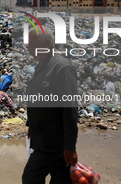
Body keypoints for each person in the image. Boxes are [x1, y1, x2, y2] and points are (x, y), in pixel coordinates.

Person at [22, 25, 78, 184]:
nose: (29, 49)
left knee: (30, 177)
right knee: (60, 179)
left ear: (47, 43)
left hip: (53, 142)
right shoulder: (41, 66)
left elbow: (70, 109)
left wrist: (70, 146)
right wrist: (31, 125)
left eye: (32, 44)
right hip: (42, 137)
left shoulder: (62, 68)